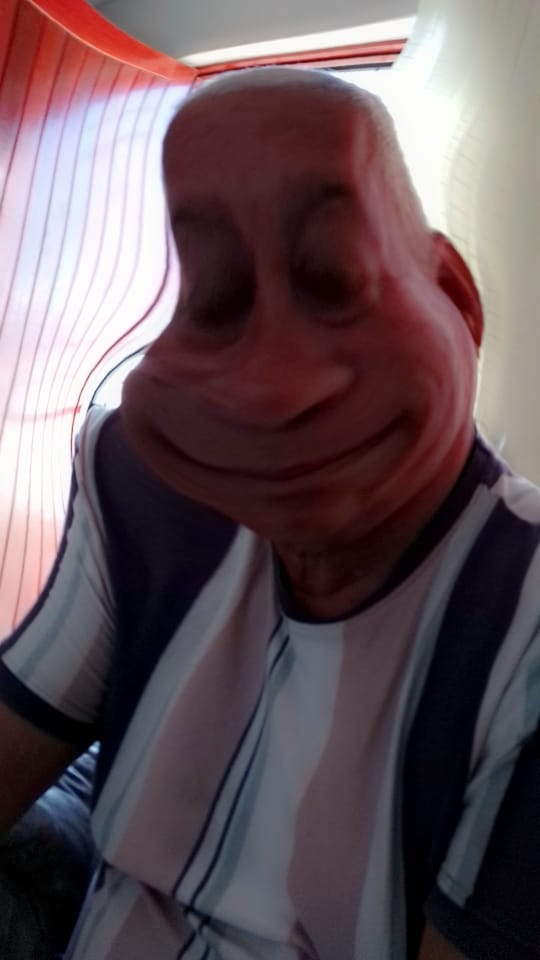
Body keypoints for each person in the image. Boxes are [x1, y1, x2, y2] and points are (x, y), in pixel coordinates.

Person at [0, 66, 539, 960]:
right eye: (215, 297)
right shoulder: (137, 482)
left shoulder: (524, 619)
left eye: (334, 281)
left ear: (455, 295)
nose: (270, 386)